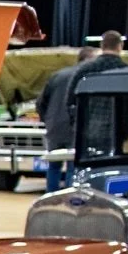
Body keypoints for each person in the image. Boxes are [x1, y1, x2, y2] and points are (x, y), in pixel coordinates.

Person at [67, 31, 128, 161]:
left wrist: (77, 127)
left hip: (85, 135)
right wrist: (125, 134)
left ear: (102, 45)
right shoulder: (127, 74)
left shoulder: (83, 71)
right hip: (115, 136)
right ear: (120, 46)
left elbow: (70, 103)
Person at [37, 46, 97, 191]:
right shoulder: (89, 77)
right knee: (73, 166)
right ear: (89, 59)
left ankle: (51, 196)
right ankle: (70, 197)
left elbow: (40, 102)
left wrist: (47, 120)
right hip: (76, 127)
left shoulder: (58, 75)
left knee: (53, 166)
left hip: (54, 128)